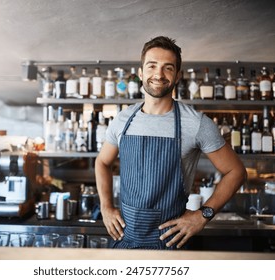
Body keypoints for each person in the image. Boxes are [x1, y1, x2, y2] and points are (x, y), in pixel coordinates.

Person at [95, 36, 246, 250]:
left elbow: (236, 171)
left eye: (168, 68)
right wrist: (106, 207)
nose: (158, 74)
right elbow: (102, 162)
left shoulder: (196, 124)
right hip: (124, 241)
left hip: (170, 244)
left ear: (177, 77)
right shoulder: (122, 120)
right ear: (140, 73)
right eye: (152, 66)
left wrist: (203, 215)